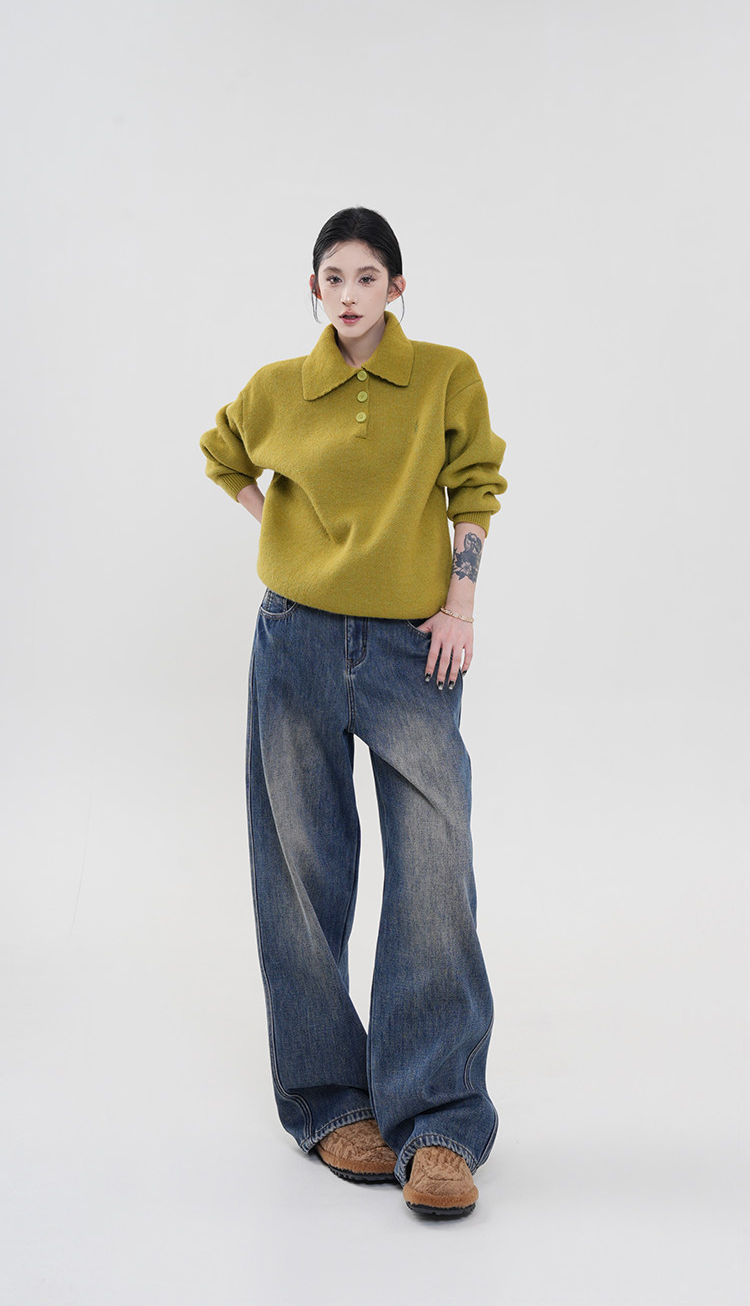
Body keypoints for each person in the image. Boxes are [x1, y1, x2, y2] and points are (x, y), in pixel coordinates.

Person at [198, 206, 508, 1218]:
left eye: (367, 276)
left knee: (435, 865)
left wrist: (461, 602)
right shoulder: (279, 388)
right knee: (301, 865)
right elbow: (223, 453)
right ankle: (330, 1102)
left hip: (414, 648)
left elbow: (475, 486)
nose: (348, 293)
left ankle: (441, 1120)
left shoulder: (446, 376)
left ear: (397, 287)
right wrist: (282, 534)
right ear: (315, 289)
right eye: (332, 277)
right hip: (294, 638)